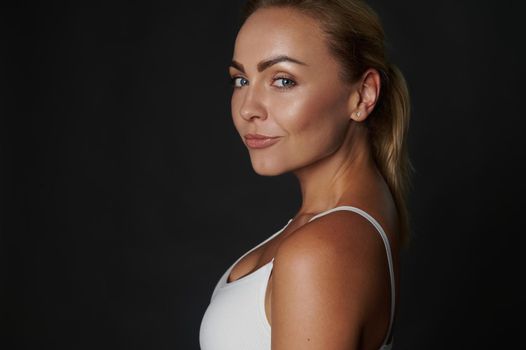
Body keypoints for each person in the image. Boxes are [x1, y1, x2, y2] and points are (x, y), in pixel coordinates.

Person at [199, 0, 412, 349]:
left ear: (363, 95)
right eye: (241, 79)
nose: (248, 108)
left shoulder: (321, 251)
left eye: (282, 80)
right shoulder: (343, 225)